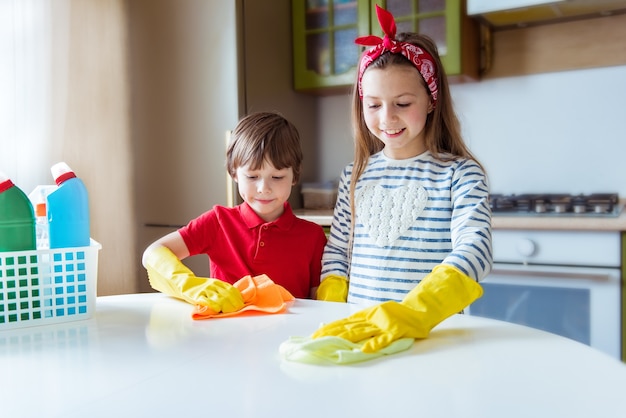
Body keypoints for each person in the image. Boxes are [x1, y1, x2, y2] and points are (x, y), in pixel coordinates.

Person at [313, 5, 493, 353]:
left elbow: (476, 249)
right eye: (374, 105)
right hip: (364, 337)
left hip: (435, 341)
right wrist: (331, 307)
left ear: (430, 100)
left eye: (403, 102)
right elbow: (337, 251)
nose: (387, 118)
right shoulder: (355, 175)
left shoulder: (460, 175)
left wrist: (414, 313)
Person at [142, 111, 327, 314]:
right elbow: (153, 252)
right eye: (252, 176)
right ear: (234, 173)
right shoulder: (217, 222)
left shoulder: (313, 236)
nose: (263, 188)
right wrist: (190, 286)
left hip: (286, 340)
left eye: (277, 177)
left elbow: (318, 306)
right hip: (225, 338)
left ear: (294, 175)